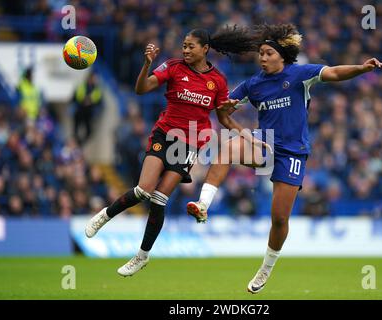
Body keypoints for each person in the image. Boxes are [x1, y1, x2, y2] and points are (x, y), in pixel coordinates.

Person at [186, 23, 382, 294]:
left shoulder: (301, 74)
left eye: (268, 53)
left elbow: (335, 72)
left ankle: (266, 268)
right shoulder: (252, 85)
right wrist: (235, 124)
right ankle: (203, 204)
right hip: (265, 143)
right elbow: (222, 111)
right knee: (228, 148)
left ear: (282, 55)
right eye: (261, 54)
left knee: (279, 219)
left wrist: (362, 68)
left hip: (292, 152)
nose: (263, 58)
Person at [84, 26, 262, 277]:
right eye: (184, 46)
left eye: (191, 46)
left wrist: (246, 133)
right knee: (143, 190)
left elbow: (224, 118)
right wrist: (147, 64)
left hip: (189, 144)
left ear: (205, 49)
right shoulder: (173, 67)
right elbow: (141, 89)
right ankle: (105, 215)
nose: (186, 50)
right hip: (165, 134)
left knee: (159, 199)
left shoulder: (218, 81)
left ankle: (141, 256)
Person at [73, 72, 102, 145]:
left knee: (89, 131)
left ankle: (81, 143)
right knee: (76, 129)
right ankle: (77, 142)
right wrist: (84, 100)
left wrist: (90, 100)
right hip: (80, 110)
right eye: (94, 78)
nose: (95, 80)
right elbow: (77, 96)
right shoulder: (82, 86)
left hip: (89, 112)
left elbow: (98, 99)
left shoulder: (97, 89)